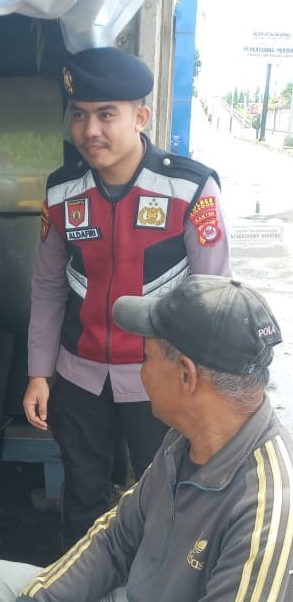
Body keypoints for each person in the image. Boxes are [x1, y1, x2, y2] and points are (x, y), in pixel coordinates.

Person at [0, 274, 293, 601]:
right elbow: (117, 538)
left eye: (145, 357)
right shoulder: (183, 442)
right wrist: (40, 597)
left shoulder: (268, 508)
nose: (140, 372)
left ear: (186, 376)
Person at [23, 46, 232, 545]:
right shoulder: (62, 191)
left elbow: (214, 298)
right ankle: (84, 580)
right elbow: (48, 286)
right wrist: (38, 374)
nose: (89, 130)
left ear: (140, 118)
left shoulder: (190, 188)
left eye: (106, 114)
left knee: (169, 497)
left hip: (161, 378)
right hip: (79, 376)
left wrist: (206, 387)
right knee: (83, 496)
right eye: (79, 115)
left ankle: (157, 580)